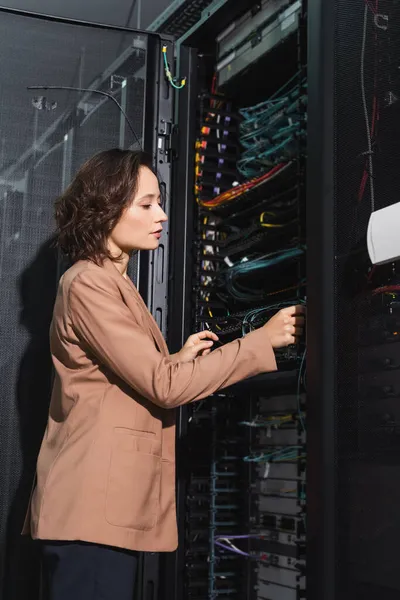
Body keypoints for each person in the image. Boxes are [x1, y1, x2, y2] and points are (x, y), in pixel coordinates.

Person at [22, 149, 304, 600]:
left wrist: (178, 359)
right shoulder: (88, 283)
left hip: (100, 513)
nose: (163, 215)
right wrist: (260, 342)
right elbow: (163, 387)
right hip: (90, 515)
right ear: (108, 208)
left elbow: (123, 381)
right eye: (147, 204)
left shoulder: (111, 282)